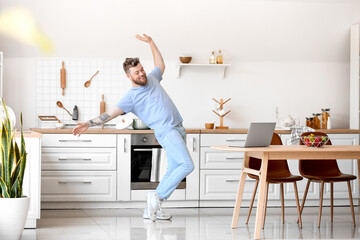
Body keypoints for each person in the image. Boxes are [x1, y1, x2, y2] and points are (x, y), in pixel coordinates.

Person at [72, 34, 194, 221]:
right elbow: (109, 114)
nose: (142, 73)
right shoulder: (130, 97)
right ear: (129, 76)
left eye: (142, 69)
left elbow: (161, 64)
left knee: (172, 169)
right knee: (187, 165)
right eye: (137, 73)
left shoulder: (153, 78)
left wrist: (151, 43)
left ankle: (152, 210)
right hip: (166, 131)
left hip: (179, 127)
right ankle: (156, 197)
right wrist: (88, 123)